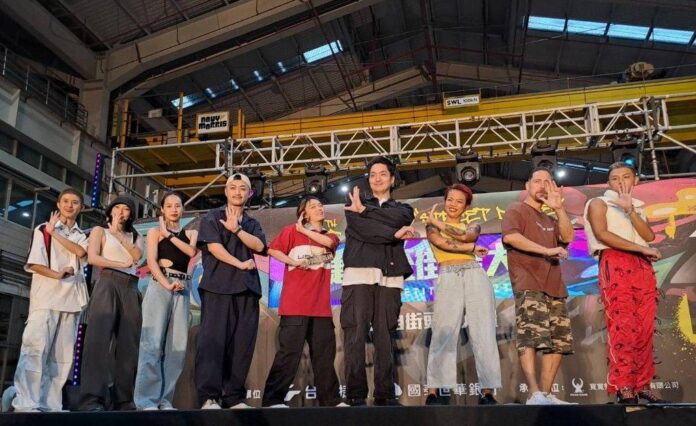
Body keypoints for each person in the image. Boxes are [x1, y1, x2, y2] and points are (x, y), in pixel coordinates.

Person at [584, 162, 667, 404]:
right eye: (615, 178)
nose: (621, 181)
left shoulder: (637, 207)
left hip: (642, 266)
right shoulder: (599, 202)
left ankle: (642, 384)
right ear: (608, 183)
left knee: (644, 328)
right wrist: (641, 248)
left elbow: (649, 236)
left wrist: (630, 211)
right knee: (623, 326)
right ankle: (624, 385)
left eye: (626, 177)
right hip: (615, 261)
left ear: (636, 180)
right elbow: (602, 234)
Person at [341, 156, 416, 406]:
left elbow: (398, 219)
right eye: (373, 174)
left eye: (383, 174)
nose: (377, 178)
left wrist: (367, 213)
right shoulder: (354, 203)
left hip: (390, 276)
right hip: (358, 273)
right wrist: (394, 234)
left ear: (392, 179)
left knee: (385, 335)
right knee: (355, 333)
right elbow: (362, 229)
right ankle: (355, 394)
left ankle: (385, 394)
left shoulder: (403, 209)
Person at [501, 167, 575, 405]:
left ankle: (546, 393)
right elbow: (511, 237)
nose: (542, 186)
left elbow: (568, 237)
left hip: (555, 285)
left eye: (547, 182)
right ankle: (534, 393)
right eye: (537, 181)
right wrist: (547, 250)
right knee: (530, 338)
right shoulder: (516, 209)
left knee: (557, 342)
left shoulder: (551, 218)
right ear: (527, 186)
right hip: (529, 282)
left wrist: (559, 209)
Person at [262, 196, 344, 408]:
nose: (319, 209)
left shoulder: (330, 236)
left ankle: (331, 401)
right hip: (295, 305)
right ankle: (273, 400)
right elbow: (272, 250)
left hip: (321, 308)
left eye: (320, 206)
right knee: (289, 354)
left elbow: (329, 245)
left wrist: (305, 231)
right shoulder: (290, 231)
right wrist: (292, 261)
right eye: (313, 206)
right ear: (304, 213)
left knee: (324, 356)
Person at [424, 184, 501, 405]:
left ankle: (487, 392)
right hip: (448, 275)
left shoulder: (473, 225)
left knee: (484, 331)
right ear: (444, 201)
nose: (453, 204)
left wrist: (442, 224)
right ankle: (433, 392)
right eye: (450, 199)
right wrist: (471, 249)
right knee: (443, 331)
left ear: (466, 206)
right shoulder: (431, 226)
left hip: (475, 274)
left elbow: (468, 236)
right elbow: (441, 243)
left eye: (459, 201)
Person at [12, 188, 89, 412]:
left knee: (62, 358)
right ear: (58, 204)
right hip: (46, 298)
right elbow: (34, 264)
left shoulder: (81, 235)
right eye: (65, 201)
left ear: (81, 207)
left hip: (72, 300)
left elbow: (81, 253)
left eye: (75, 202)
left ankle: (51, 404)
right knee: (35, 350)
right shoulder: (41, 230)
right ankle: (26, 402)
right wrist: (57, 274)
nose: (69, 205)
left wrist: (55, 233)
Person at [195, 173, 266, 409]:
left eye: (242, 188)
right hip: (218, 288)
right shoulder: (213, 217)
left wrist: (237, 231)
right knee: (212, 343)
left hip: (246, 290)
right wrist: (240, 264)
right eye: (233, 188)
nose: (237, 192)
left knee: (242, 346)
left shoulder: (251, 223)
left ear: (249, 193)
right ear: (226, 192)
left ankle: (233, 397)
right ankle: (209, 396)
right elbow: (214, 248)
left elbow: (259, 245)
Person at [134, 192, 199, 410]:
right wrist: (166, 283)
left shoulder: (191, 233)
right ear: (162, 209)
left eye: (177, 205)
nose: (173, 209)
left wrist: (169, 235)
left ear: (183, 209)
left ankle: (165, 399)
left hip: (183, 286)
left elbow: (190, 251)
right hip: (160, 284)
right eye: (169, 206)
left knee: (177, 348)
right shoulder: (154, 232)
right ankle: (146, 400)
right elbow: (152, 262)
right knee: (152, 344)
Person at [79, 195, 144, 411]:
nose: (121, 212)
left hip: (131, 286)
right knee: (97, 341)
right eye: (117, 208)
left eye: (126, 209)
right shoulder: (100, 231)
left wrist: (120, 235)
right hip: (107, 281)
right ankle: (91, 399)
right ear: (110, 210)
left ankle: (123, 400)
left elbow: (136, 257)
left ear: (131, 214)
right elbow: (93, 257)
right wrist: (118, 261)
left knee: (128, 345)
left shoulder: (136, 236)